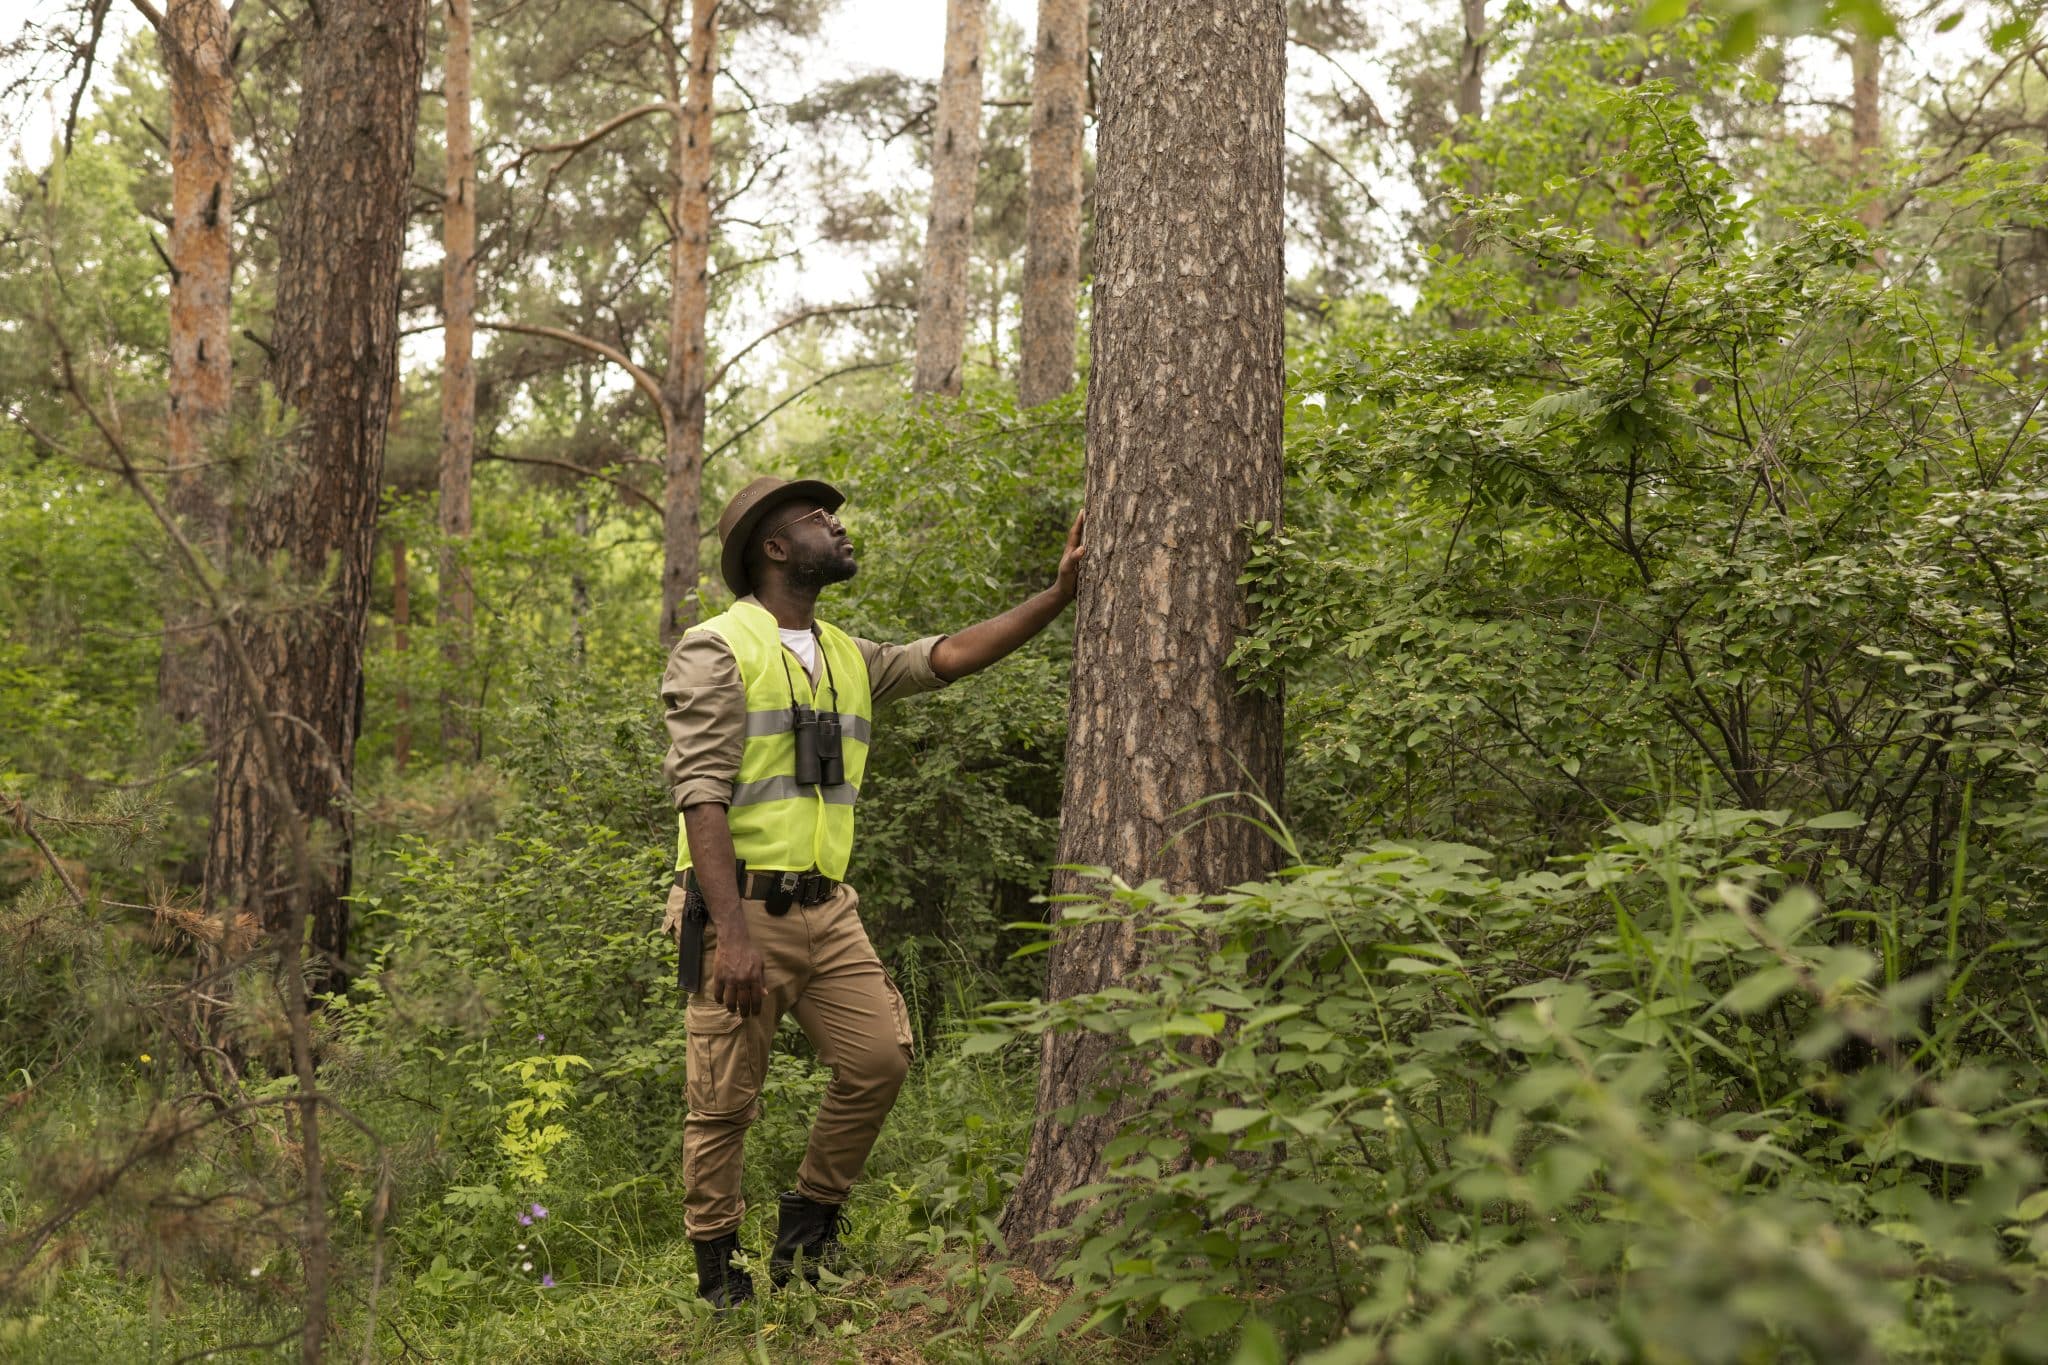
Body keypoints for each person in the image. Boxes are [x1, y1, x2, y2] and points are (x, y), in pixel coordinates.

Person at [660, 474, 1085, 1307]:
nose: (839, 527)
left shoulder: (849, 655)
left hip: (829, 909)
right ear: (775, 549)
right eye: (820, 520)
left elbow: (952, 655)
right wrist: (734, 937)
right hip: (738, 911)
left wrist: (1058, 594)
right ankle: (718, 1275)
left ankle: (807, 1227)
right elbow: (701, 795)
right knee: (723, 1101)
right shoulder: (719, 646)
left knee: (879, 1058)